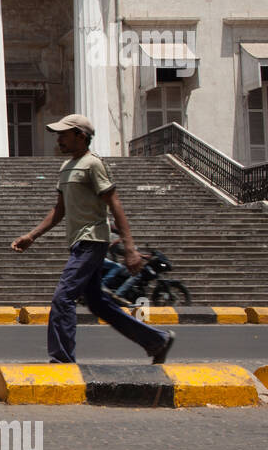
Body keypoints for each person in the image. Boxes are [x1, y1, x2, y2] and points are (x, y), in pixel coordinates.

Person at [10, 114, 175, 364]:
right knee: (97, 303)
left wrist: (130, 248)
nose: (59, 139)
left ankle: (62, 360)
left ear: (81, 136)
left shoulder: (93, 164)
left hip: (92, 241)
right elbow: (59, 209)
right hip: (78, 242)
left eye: (64, 134)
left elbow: (115, 204)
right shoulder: (66, 167)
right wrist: (32, 235)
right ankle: (155, 341)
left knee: (63, 298)